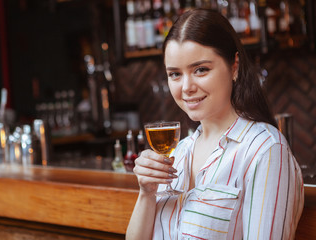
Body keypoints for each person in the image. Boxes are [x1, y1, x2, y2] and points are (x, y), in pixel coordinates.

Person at [126, 9, 304, 240]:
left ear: (234, 67)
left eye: (201, 69)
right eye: (175, 74)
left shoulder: (265, 149)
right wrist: (146, 193)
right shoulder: (178, 152)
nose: (186, 87)